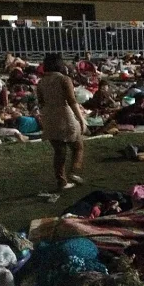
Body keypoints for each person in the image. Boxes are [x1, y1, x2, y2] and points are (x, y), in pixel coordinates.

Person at [37, 53, 87, 190]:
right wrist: (81, 119)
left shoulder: (41, 82)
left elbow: (40, 102)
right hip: (65, 116)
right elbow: (72, 101)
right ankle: (74, 172)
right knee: (78, 146)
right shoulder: (64, 79)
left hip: (49, 117)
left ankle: (61, 181)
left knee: (59, 151)